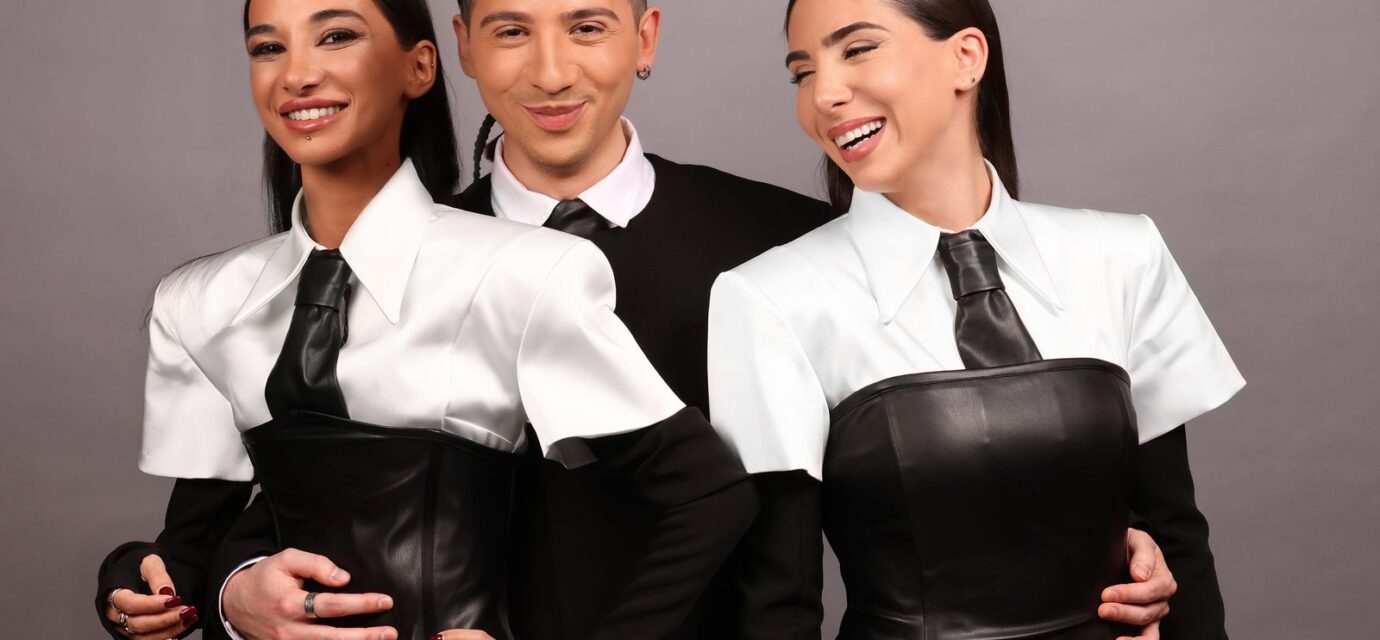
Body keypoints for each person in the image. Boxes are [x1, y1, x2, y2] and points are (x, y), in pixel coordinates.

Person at [200, 1, 1178, 638]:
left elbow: (928, 454)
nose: (550, 72)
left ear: (646, 37)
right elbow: (285, 497)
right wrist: (237, 588)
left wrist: (1094, 546)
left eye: (588, 25)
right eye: (510, 30)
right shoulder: (378, 260)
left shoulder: (787, 245)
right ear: (460, 46)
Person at [94, 1, 757, 639]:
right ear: (463, 45)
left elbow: (714, 497)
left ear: (420, 66)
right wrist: (181, 591)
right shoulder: (206, 300)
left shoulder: (529, 269)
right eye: (269, 47)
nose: (297, 73)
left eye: (336, 36)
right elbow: (208, 544)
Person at [706, 0, 1244, 638]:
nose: (823, 95)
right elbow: (778, 605)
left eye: (857, 50)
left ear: (966, 57)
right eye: (803, 73)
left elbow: (1178, 543)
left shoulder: (1124, 255)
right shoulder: (768, 298)